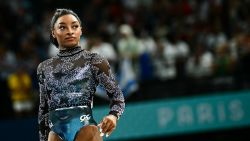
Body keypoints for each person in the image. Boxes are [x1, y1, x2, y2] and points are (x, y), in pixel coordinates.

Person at [37, 8, 125, 141]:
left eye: (74, 26)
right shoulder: (44, 68)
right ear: (53, 33)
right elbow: (43, 110)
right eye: (62, 27)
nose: (70, 31)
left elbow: (117, 95)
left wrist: (113, 115)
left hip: (86, 129)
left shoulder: (94, 60)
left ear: (81, 30)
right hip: (55, 133)